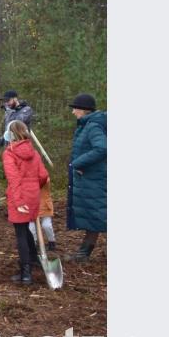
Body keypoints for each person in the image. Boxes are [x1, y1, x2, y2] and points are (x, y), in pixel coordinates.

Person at [1, 120, 49, 284]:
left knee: (20, 232)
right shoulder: (34, 152)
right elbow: (43, 175)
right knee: (27, 227)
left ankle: (26, 273)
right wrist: (35, 188)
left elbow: (13, 179)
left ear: (11, 134)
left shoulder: (10, 153)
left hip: (18, 196)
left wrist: (19, 200)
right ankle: (34, 258)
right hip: (33, 194)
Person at [66, 93, 106, 262]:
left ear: (84, 110)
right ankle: (84, 253)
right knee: (95, 215)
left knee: (97, 215)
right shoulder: (87, 125)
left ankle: (84, 253)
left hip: (94, 179)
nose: (73, 112)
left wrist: (79, 163)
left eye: (75, 108)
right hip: (91, 178)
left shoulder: (93, 126)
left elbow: (102, 148)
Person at [29, 179, 57, 251]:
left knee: (46, 225)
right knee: (31, 227)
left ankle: (52, 241)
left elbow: (45, 180)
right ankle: (34, 243)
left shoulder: (43, 175)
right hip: (31, 204)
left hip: (45, 204)